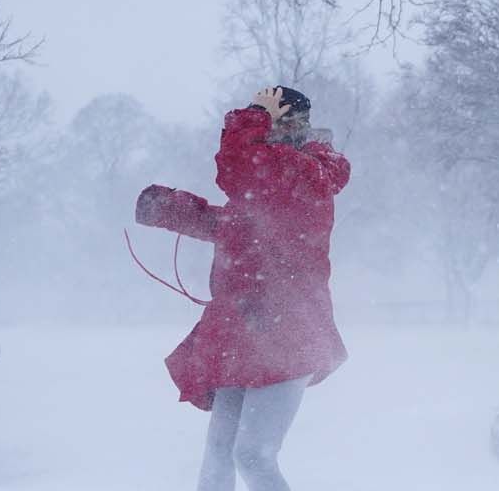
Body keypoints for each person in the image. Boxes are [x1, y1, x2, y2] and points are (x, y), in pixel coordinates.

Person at [134, 85, 351, 491]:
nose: (264, 125)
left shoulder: (305, 174)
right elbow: (233, 226)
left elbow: (236, 167)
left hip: (287, 333)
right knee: (219, 451)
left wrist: (250, 116)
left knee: (253, 455)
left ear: (288, 123)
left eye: (270, 115)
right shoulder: (278, 177)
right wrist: (168, 208)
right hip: (243, 332)